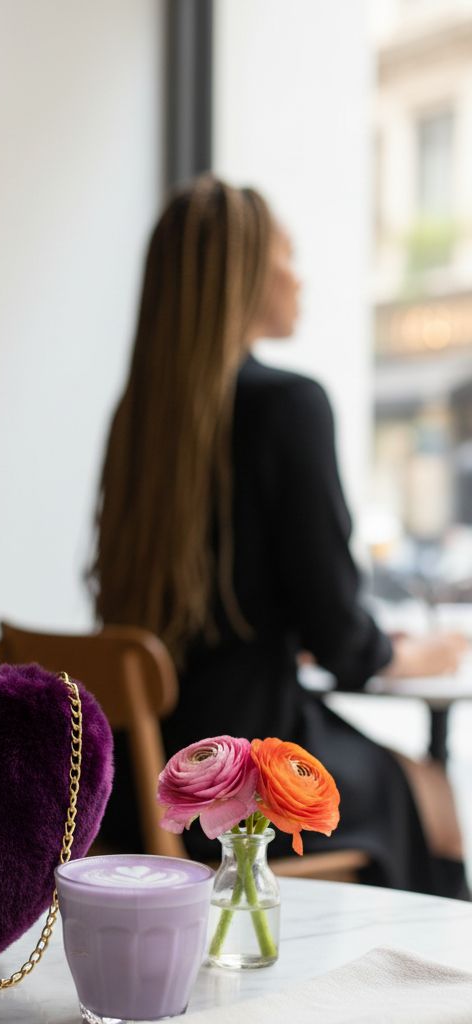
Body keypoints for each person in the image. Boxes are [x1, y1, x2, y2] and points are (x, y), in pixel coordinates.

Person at [89, 174, 469, 899]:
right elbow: (342, 638)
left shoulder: (139, 421)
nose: (301, 277)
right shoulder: (291, 405)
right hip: (247, 766)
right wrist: (413, 651)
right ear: (242, 278)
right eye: (286, 257)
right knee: (433, 796)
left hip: (145, 779)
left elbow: (230, 598)